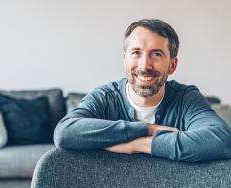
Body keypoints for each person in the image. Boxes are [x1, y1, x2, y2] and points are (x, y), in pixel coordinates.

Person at [54, 19, 231, 162]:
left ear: (172, 65)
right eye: (136, 53)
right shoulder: (106, 97)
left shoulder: (185, 98)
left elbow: (221, 140)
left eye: (156, 54)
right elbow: (64, 133)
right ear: (125, 59)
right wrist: (148, 129)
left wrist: (140, 145)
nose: (144, 65)